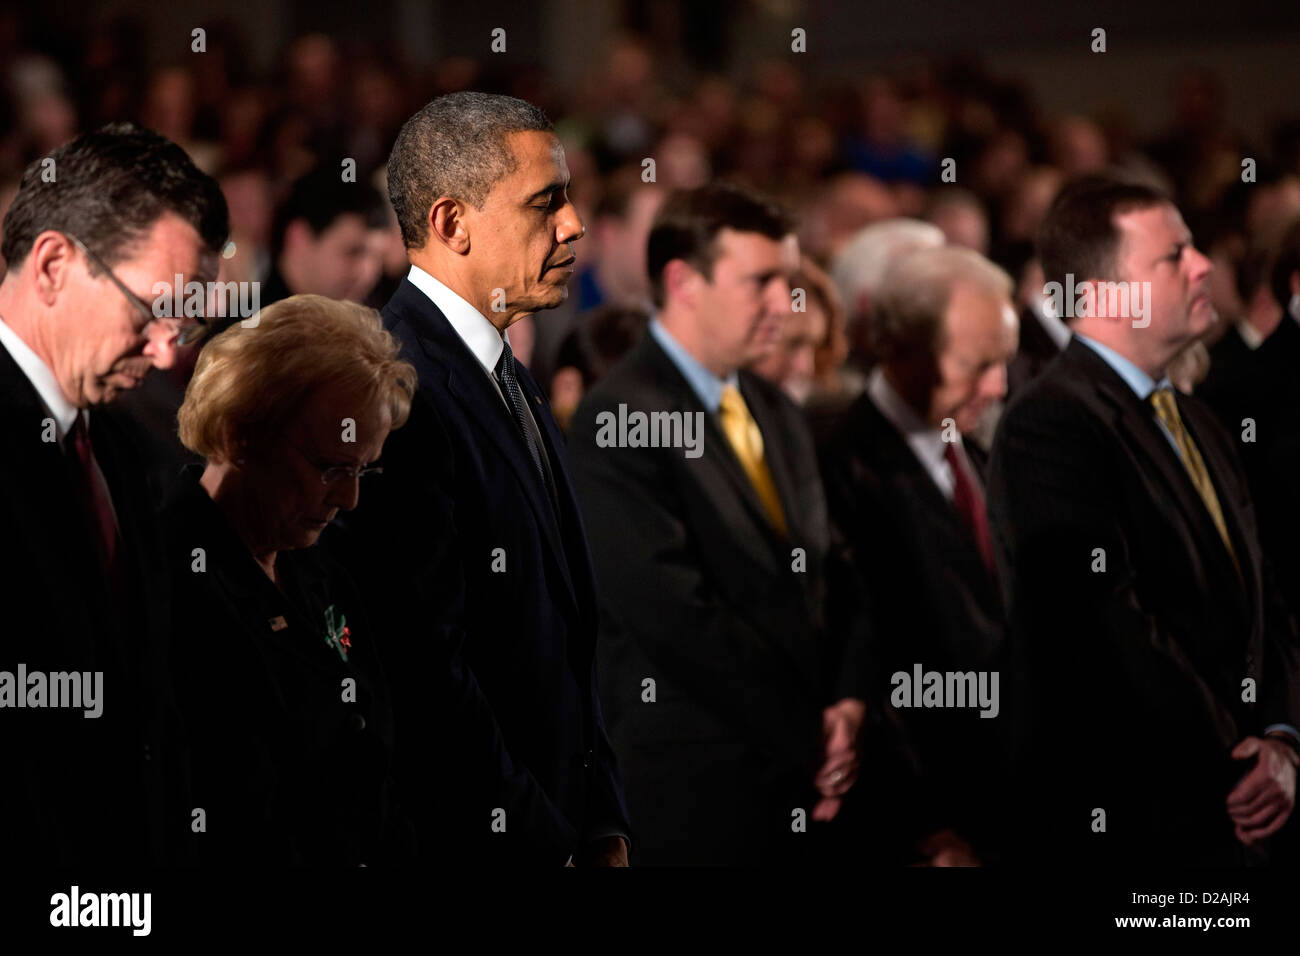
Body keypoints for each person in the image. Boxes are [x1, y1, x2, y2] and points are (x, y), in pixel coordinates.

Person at [325, 91, 630, 865]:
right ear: (452, 223)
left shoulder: (506, 370)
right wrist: (546, 843)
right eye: (546, 202)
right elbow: (428, 674)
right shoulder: (397, 388)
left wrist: (603, 819)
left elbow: (563, 636)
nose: (575, 224)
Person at [987, 174, 1300, 865]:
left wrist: (1281, 733)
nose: (1204, 266)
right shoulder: (1049, 425)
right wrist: (1237, 756)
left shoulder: (1197, 419)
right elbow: (1105, 620)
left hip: (1240, 809)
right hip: (1137, 820)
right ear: (1101, 292)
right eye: (1174, 256)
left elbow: (1265, 594)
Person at [567, 183, 868, 865]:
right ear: (683, 281)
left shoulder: (774, 407)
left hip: (806, 778)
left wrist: (850, 699)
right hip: (699, 793)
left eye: (789, 281)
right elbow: (676, 617)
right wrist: (810, 732)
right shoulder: (618, 416)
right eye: (762, 280)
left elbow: (835, 573)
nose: (782, 303)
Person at [0, 122, 228, 864]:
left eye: (186, 322)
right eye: (152, 308)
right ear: (54, 265)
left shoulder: (128, 448)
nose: (167, 349)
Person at [165, 295, 415, 864]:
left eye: (362, 470)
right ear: (239, 435)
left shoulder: (319, 568)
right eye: (329, 467)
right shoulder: (168, 575)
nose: (348, 498)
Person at [819, 245, 1017, 862]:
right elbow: (864, 661)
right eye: (976, 363)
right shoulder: (839, 471)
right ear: (898, 348)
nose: (999, 385)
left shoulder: (979, 454)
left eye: (1004, 361)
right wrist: (925, 824)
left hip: (1010, 804)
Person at [261, 162, 386, 305]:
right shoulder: (247, 325)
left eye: (379, 257)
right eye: (353, 252)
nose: (367, 273)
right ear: (299, 239)